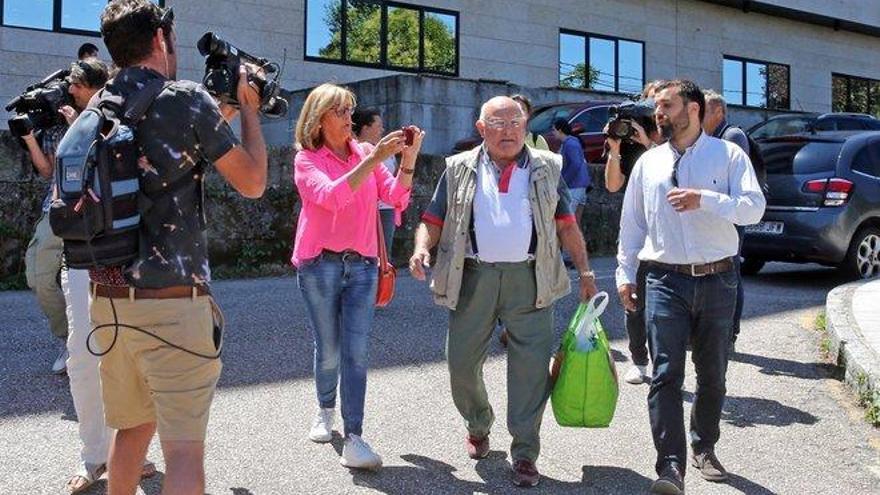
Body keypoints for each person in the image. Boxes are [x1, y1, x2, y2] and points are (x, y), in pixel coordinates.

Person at [90, 2, 268, 494]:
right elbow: (252, 181)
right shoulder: (184, 99)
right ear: (163, 39)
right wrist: (249, 110)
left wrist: (219, 111)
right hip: (172, 303)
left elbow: (163, 153)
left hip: (108, 302)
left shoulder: (98, 103)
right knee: (184, 450)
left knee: (131, 432)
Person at [410, 96, 598, 487]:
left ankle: (525, 452)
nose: (509, 130)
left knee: (530, 370)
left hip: (530, 278)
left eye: (516, 122)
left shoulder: (547, 167)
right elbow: (433, 217)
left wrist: (584, 271)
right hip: (473, 276)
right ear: (482, 129)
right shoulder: (459, 168)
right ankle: (478, 422)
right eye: (499, 122)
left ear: (527, 127)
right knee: (460, 362)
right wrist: (421, 248)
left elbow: (566, 224)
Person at [616, 80, 765, 494]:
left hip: (718, 278)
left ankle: (705, 446)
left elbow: (754, 209)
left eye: (666, 105)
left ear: (693, 109)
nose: (657, 113)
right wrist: (625, 275)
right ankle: (670, 467)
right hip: (664, 279)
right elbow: (632, 224)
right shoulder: (648, 163)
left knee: (713, 374)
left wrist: (707, 199)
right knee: (666, 374)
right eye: (656, 106)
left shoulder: (729, 154)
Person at [293, 83, 423, 470]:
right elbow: (332, 197)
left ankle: (354, 436)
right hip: (319, 263)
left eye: (351, 110)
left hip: (364, 264)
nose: (351, 118)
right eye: (341, 112)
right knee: (329, 346)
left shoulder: (367, 153)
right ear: (319, 120)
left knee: (356, 351)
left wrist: (408, 159)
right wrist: (374, 158)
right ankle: (324, 409)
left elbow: (398, 198)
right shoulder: (306, 160)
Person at [602, 92, 665, 386]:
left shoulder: (667, 141)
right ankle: (639, 360)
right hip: (636, 230)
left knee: (664, 304)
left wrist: (648, 145)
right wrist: (615, 148)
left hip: (665, 231)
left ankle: (663, 360)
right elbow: (613, 185)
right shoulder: (625, 146)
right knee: (633, 297)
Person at [702, 89, 757, 354]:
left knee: (731, 272)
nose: (700, 115)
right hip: (719, 215)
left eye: (705, 110)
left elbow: (731, 179)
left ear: (719, 112)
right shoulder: (711, 137)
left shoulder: (732, 136)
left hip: (731, 217)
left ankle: (730, 334)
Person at [352, 107, 399, 257]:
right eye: (378, 126)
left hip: (386, 208)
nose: (382, 129)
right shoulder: (351, 150)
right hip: (363, 207)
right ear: (365, 128)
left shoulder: (386, 151)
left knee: (383, 255)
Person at [552, 117, 590, 229]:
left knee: (566, 223)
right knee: (575, 224)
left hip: (574, 188)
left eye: (554, 130)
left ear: (560, 130)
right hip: (581, 188)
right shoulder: (572, 142)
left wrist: (564, 183)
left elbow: (575, 164)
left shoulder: (570, 144)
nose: (553, 133)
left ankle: (566, 247)